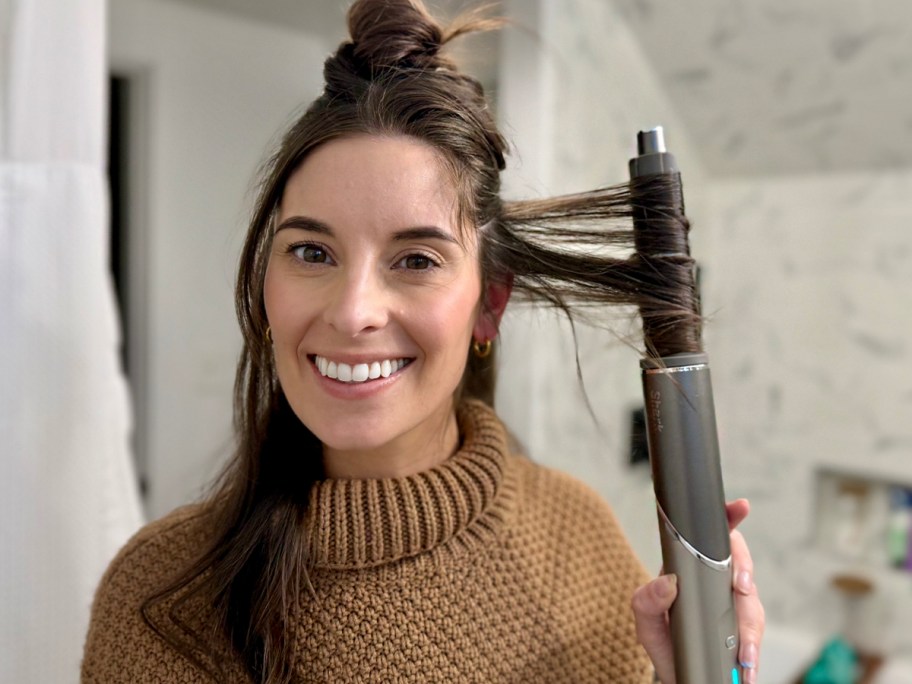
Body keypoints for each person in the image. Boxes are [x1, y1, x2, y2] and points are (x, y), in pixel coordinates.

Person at [82, 1, 764, 682]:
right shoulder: (161, 601)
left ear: (489, 305)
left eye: (415, 260)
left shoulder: (578, 534)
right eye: (312, 252)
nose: (353, 313)